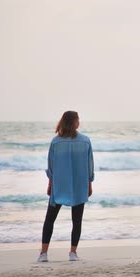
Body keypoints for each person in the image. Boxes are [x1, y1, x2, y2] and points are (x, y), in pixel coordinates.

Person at [37, 111, 94, 262]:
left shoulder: (56, 142)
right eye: (78, 120)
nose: (79, 123)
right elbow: (90, 166)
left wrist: (50, 183)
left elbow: (51, 167)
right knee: (77, 220)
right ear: (74, 122)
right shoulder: (85, 141)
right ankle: (73, 253)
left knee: (50, 219)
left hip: (60, 185)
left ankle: (43, 253)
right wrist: (89, 183)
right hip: (79, 184)